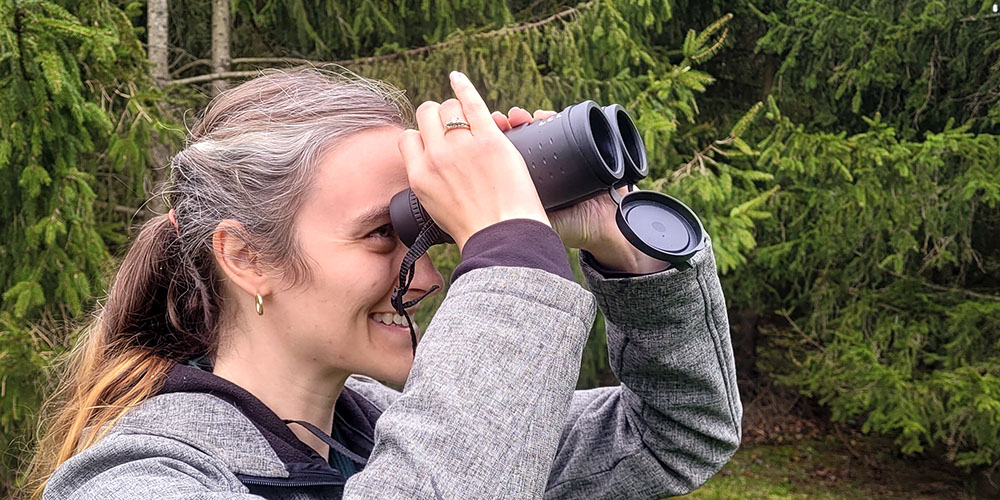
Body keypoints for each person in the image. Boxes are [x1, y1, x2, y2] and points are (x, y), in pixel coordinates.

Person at [27, 69, 741, 500]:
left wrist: (620, 245)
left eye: (426, 233)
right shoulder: (139, 479)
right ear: (245, 258)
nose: (426, 275)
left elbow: (675, 432)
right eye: (381, 235)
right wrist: (513, 255)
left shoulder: (376, 432)